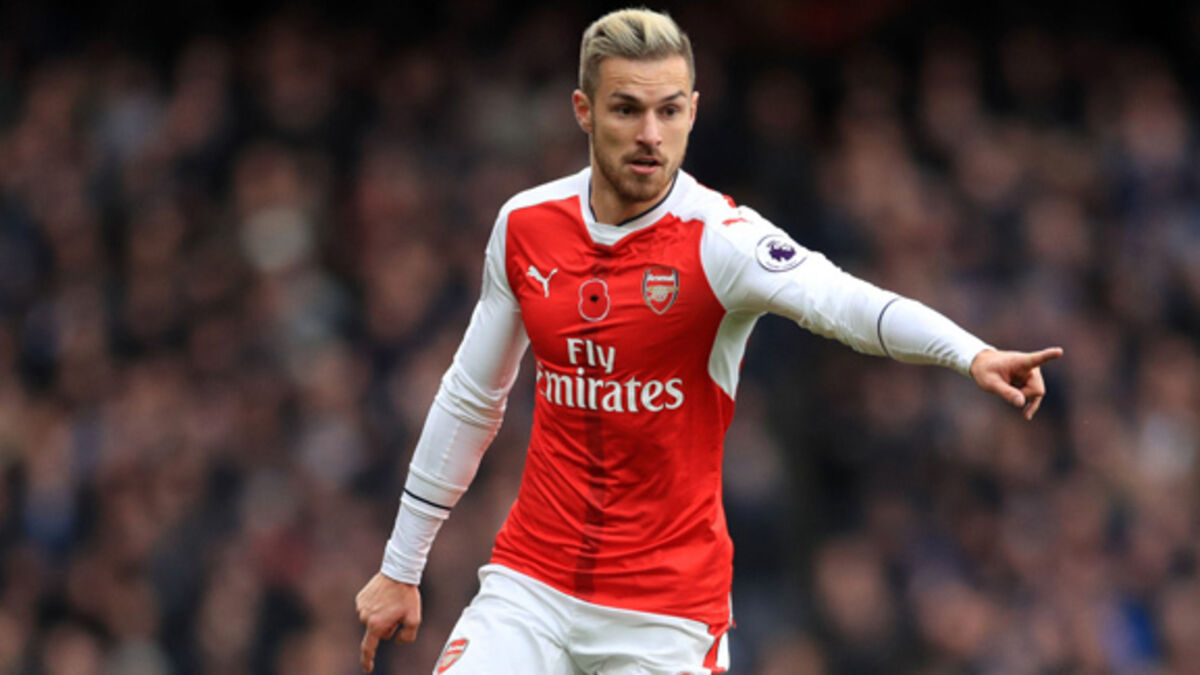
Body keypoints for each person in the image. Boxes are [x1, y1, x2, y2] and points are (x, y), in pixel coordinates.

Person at [355, 8, 1063, 674]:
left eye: (669, 111)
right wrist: (400, 567)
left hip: (665, 614)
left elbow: (842, 300)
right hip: (530, 584)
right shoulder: (526, 225)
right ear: (584, 111)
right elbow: (472, 397)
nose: (650, 134)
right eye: (626, 109)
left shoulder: (720, 240)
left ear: (693, 112)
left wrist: (970, 352)